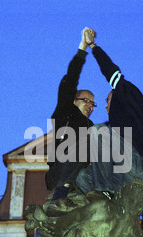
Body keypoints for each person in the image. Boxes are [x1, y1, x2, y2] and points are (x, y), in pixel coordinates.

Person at [76, 29, 143, 200]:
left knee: (99, 131)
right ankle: (110, 203)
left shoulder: (123, 90)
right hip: (125, 171)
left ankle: (104, 190)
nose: (106, 107)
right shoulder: (129, 117)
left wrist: (92, 45)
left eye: (107, 101)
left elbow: (110, 70)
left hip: (139, 165)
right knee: (83, 178)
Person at [45, 28, 97, 202]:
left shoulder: (91, 126)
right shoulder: (65, 111)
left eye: (93, 103)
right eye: (86, 100)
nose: (90, 105)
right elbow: (71, 77)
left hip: (83, 174)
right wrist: (83, 47)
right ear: (74, 100)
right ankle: (62, 190)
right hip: (60, 172)